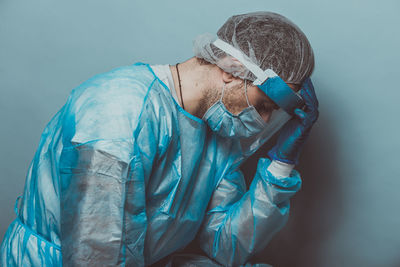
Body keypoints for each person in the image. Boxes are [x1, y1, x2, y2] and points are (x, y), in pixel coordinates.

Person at [0, 11, 318, 266]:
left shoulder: (220, 132)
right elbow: (95, 255)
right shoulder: (121, 112)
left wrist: (281, 165)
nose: (261, 121)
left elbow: (226, 248)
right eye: (263, 105)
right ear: (233, 70)